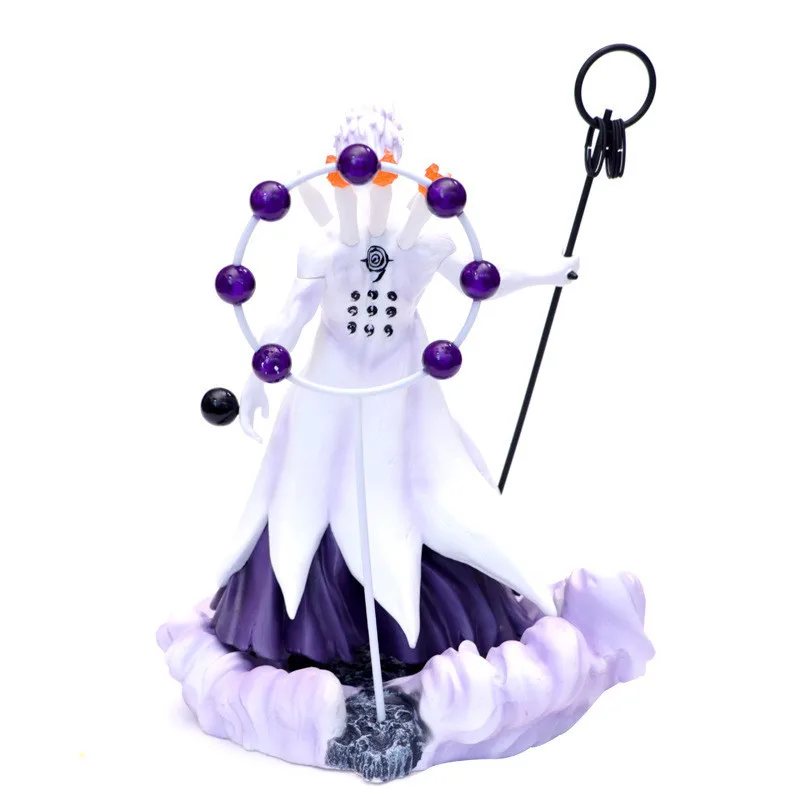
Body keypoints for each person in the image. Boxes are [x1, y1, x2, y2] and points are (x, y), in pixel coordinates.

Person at [211, 107, 579, 666]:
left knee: (422, 493)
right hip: (328, 389)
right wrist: (255, 379)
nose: (367, 179)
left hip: (401, 389)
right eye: (355, 167)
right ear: (335, 169)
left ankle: (422, 628)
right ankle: (310, 633)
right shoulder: (326, 244)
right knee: (306, 498)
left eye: (380, 167)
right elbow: (290, 317)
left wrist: (550, 274)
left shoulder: (423, 242)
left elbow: (484, 281)